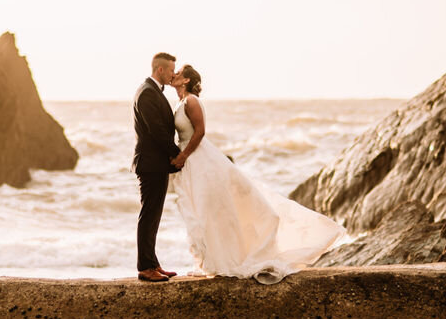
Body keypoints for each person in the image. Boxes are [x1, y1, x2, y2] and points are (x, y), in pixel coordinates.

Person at [169, 64, 345, 284]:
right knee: (198, 211)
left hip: (198, 158)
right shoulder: (180, 102)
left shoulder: (192, 101)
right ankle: (207, 262)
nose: (173, 75)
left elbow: (201, 132)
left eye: (178, 73)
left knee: (207, 208)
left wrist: (184, 155)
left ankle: (220, 261)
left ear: (186, 80)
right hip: (191, 162)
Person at [132, 52, 182, 282]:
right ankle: (144, 267)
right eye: (172, 70)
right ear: (160, 70)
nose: (174, 74)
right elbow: (157, 131)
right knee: (149, 214)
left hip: (156, 163)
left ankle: (152, 262)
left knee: (154, 215)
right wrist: (177, 154)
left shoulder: (152, 91)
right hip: (150, 163)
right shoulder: (146, 93)